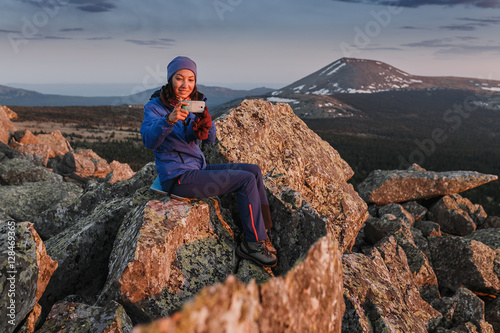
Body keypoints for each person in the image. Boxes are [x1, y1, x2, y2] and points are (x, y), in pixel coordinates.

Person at [140, 56, 277, 267]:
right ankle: (252, 244)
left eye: (191, 79)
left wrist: (207, 122)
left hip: (197, 169)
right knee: (245, 181)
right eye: (179, 78)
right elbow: (149, 139)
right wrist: (169, 120)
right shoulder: (155, 107)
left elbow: (210, 139)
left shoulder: (195, 104)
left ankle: (263, 231)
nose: (185, 85)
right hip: (178, 178)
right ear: (170, 80)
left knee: (253, 171)